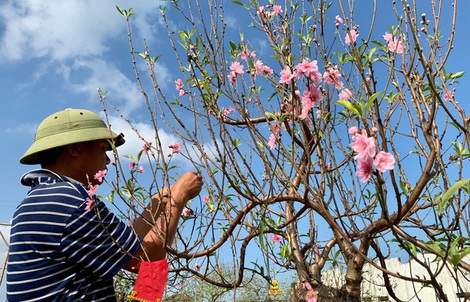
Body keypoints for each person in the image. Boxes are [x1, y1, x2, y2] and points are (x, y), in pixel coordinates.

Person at [6, 108, 203, 301]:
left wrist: (157, 203)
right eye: (103, 149)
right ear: (75, 149)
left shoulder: (43, 197)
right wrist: (179, 199)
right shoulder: (71, 201)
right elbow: (147, 259)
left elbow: (126, 246)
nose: (108, 160)